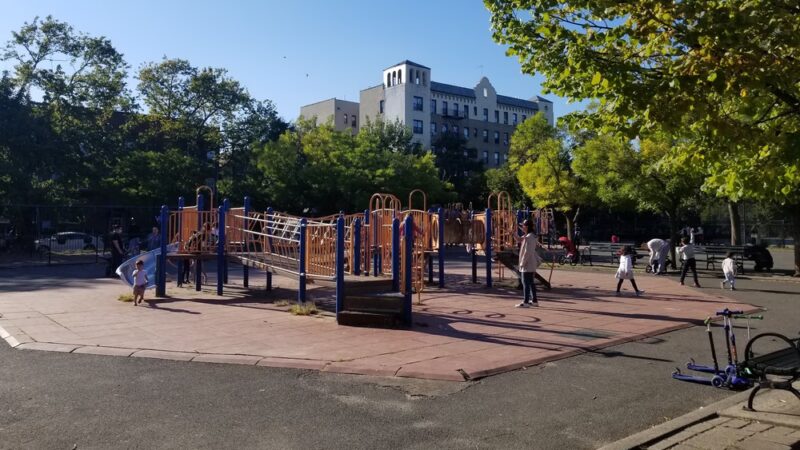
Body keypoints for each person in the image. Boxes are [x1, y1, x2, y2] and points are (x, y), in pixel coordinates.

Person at [517, 219, 541, 307]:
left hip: (528, 263)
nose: (522, 227)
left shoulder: (529, 237)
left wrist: (522, 262)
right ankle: (534, 301)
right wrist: (513, 233)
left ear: (526, 227)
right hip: (530, 262)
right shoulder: (529, 235)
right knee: (531, 282)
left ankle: (526, 302)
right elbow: (519, 239)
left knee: (525, 282)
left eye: (523, 225)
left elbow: (528, 252)